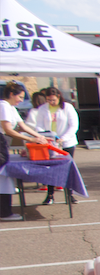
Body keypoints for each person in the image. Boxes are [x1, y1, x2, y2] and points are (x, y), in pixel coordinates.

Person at [1, 81, 51, 221]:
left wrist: (38, 136)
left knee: (4, 178)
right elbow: (8, 130)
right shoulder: (3, 106)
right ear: (11, 94)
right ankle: (4, 212)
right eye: (20, 97)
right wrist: (30, 140)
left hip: (4, 144)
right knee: (2, 178)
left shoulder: (11, 107)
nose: (21, 101)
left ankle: (5, 211)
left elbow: (22, 126)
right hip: (1, 142)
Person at [30, 87, 80, 205]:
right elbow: (39, 125)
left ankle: (70, 194)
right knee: (50, 168)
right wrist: (45, 136)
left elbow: (73, 125)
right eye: (48, 100)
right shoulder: (43, 109)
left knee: (67, 168)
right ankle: (50, 195)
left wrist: (63, 138)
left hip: (66, 142)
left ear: (58, 97)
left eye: (53, 100)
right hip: (50, 143)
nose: (51, 102)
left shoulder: (67, 107)